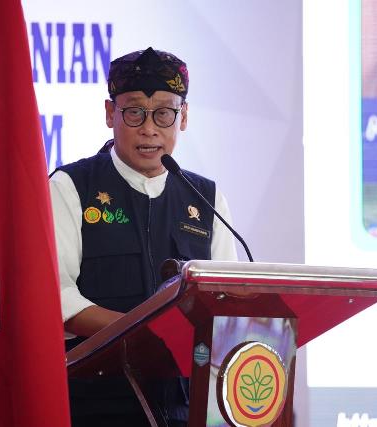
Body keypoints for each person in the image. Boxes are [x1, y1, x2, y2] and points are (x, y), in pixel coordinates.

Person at [49, 47, 238, 426]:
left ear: (182, 117)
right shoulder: (71, 187)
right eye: (134, 111)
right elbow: (57, 296)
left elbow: (224, 300)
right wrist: (141, 334)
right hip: (93, 405)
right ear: (109, 114)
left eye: (164, 113)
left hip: (184, 406)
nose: (149, 128)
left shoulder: (205, 198)